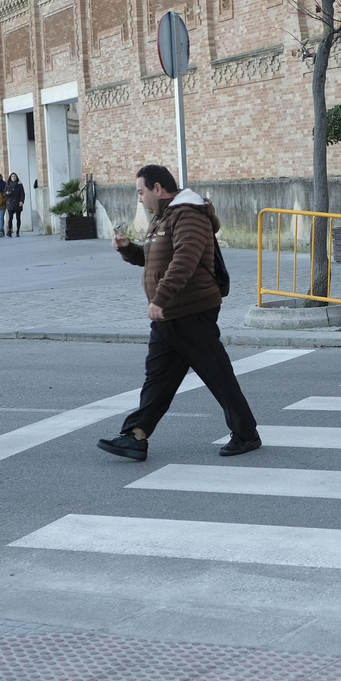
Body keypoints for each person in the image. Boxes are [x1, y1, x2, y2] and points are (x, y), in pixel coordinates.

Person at [97, 164, 260, 462]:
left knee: (216, 373)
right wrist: (127, 249)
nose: (139, 199)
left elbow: (185, 258)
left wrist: (160, 298)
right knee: (159, 377)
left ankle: (246, 433)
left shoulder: (188, 214)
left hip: (191, 309)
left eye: (141, 192)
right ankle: (136, 436)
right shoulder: (164, 217)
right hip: (169, 314)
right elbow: (155, 259)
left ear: (158, 189)